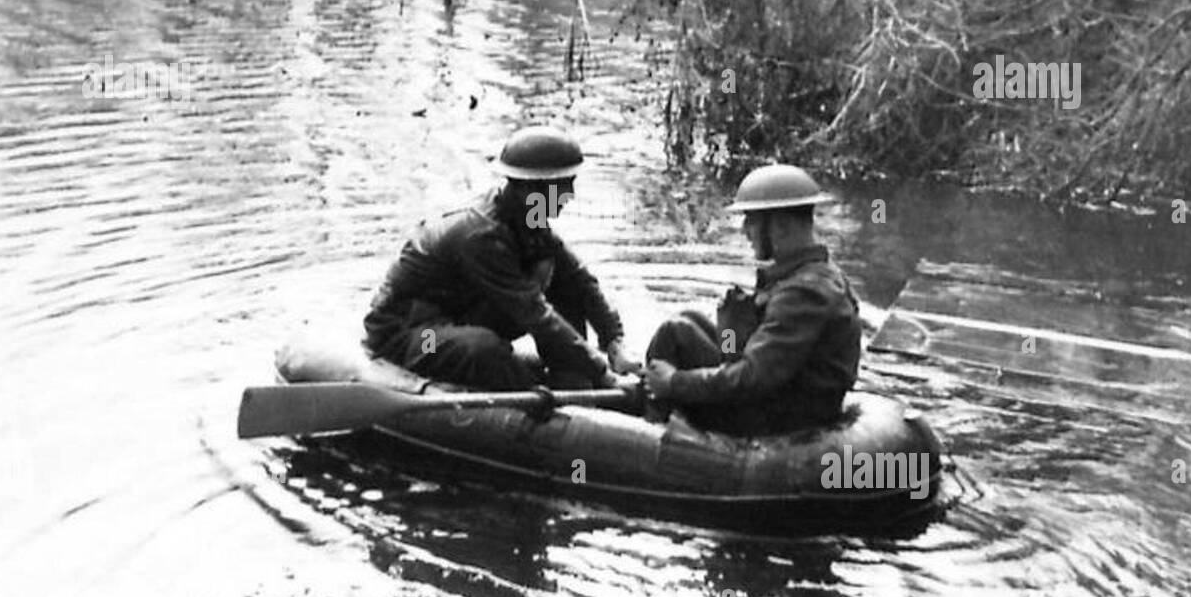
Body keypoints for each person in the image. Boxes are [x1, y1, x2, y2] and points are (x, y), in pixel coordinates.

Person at [365, 126, 640, 391]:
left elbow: (580, 281)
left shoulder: (529, 219)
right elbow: (533, 313)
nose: (570, 196)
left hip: (458, 320)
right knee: (482, 348)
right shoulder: (480, 235)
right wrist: (602, 371)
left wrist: (614, 342)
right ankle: (538, 399)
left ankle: (574, 381)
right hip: (414, 338)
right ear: (532, 190)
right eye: (563, 187)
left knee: (563, 284)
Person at [642, 165, 861, 435]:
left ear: (781, 225)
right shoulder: (809, 274)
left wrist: (674, 382)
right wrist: (729, 332)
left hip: (782, 416)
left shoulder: (804, 292)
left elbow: (753, 377)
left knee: (672, 337)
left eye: (751, 220)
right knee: (683, 326)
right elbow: (752, 355)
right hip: (782, 394)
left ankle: (653, 434)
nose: (745, 231)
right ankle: (654, 407)